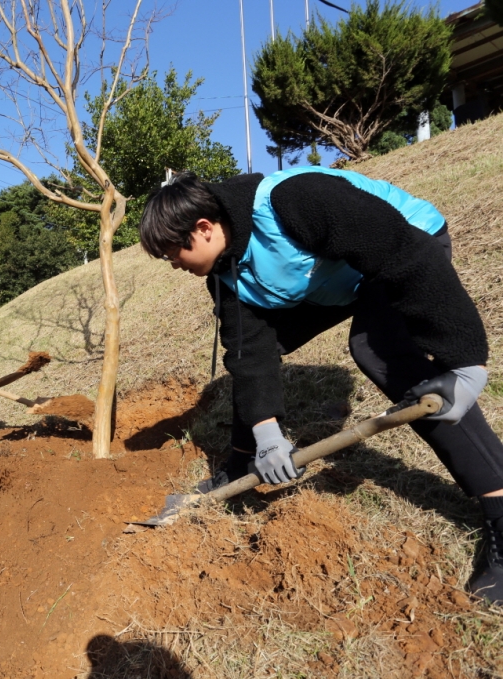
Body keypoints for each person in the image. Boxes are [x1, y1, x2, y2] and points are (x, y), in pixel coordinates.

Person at [139, 167, 503, 605]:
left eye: (172, 253)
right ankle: (241, 466)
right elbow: (250, 351)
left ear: (204, 228)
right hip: (333, 279)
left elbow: (402, 252)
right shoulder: (223, 270)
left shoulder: (296, 199)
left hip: (405, 246)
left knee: (376, 347)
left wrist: (464, 360)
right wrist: (266, 435)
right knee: (253, 354)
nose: (174, 264)